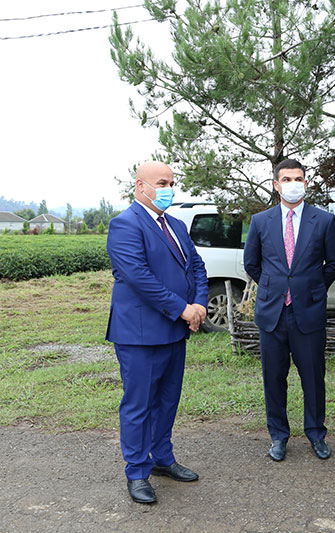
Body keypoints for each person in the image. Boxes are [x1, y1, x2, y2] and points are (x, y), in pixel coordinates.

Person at [106, 161, 208, 504]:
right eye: (162, 183)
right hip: (140, 334)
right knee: (139, 404)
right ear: (140, 186)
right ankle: (137, 471)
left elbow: (196, 266)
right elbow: (139, 277)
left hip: (174, 332)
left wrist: (200, 304)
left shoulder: (176, 225)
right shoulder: (125, 224)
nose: (169, 189)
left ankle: (162, 458)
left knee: (167, 400)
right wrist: (183, 308)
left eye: (171, 183)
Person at [243, 159, 335, 462]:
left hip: (308, 312)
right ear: (276, 185)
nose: (293, 184)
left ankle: (316, 434)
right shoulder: (261, 221)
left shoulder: (323, 221)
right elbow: (252, 263)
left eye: (298, 178)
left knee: (313, 377)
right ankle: (278, 436)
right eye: (286, 179)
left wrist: (312, 287)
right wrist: (275, 287)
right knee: (274, 378)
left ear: (306, 183)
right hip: (272, 314)